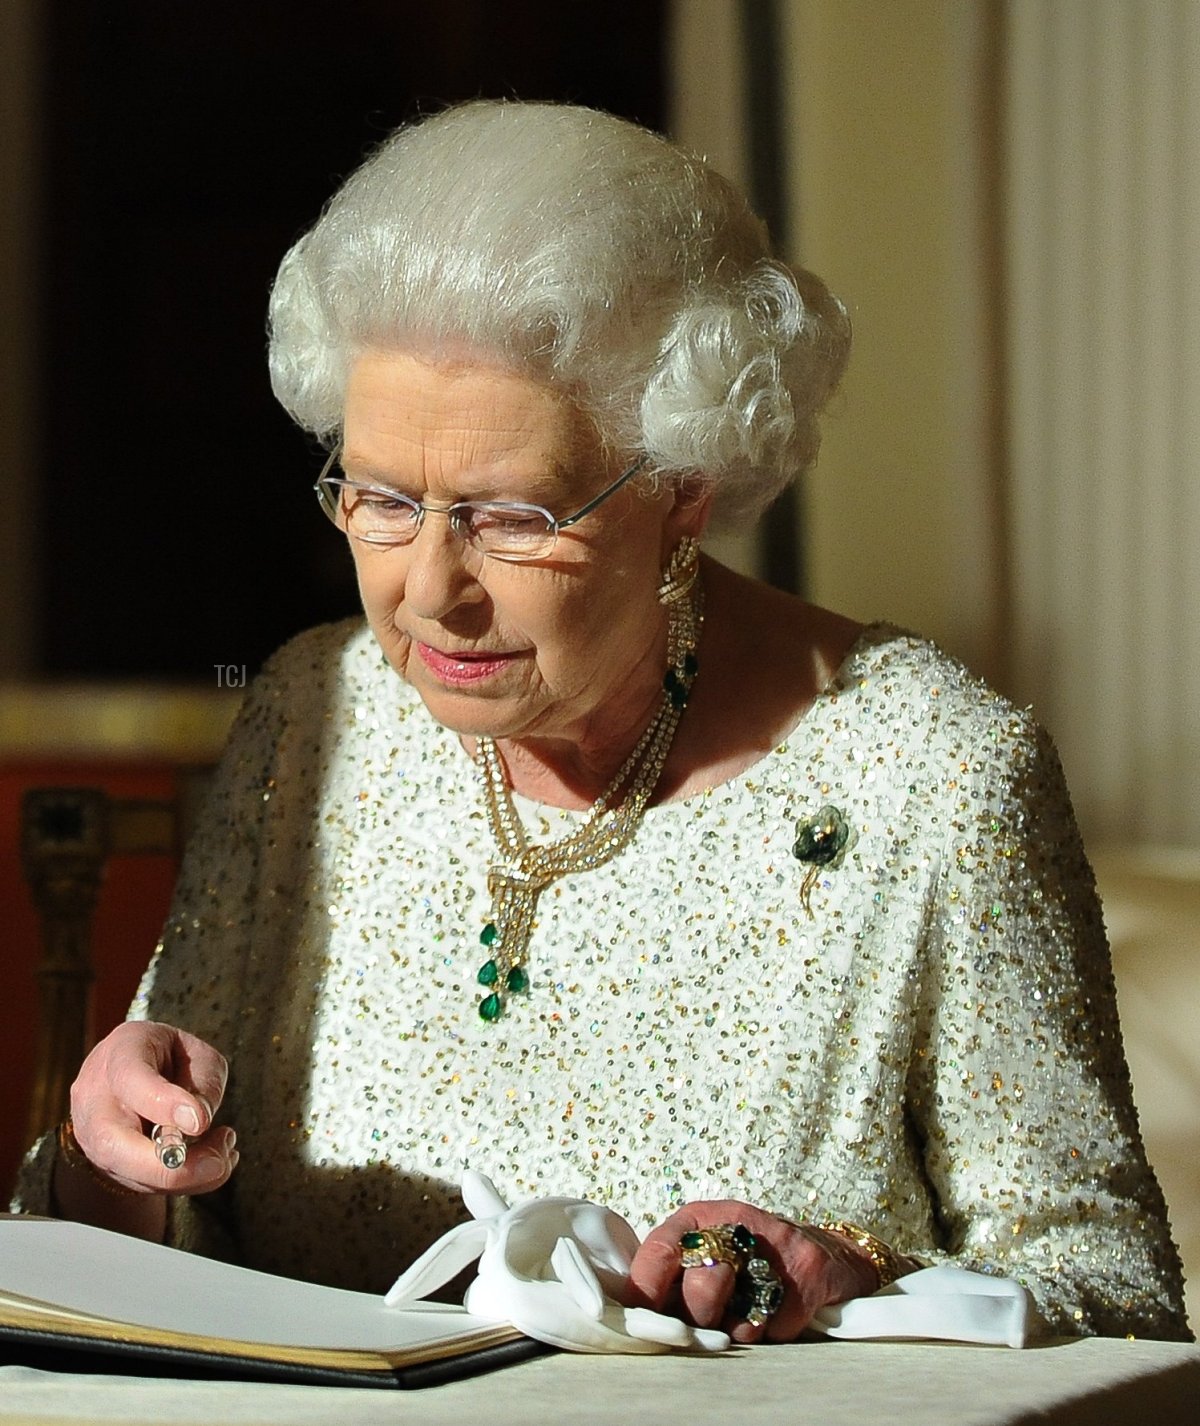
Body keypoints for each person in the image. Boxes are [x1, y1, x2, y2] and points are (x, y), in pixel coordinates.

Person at [14, 100, 1189, 1344]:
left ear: (683, 488)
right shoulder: (314, 715)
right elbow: (146, 1245)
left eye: (513, 516)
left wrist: (841, 1277)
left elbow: (1118, 1305)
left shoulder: (931, 774)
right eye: (379, 498)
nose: (428, 591)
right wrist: (113, 1159)